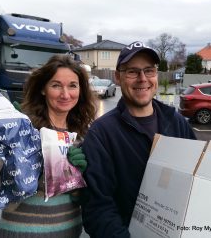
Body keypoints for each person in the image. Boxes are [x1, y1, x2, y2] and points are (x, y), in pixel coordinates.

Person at [81, 41, 196, 238]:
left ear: (156, 75)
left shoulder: (176, 122)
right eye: (132, 72)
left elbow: (196, 178)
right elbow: (98, 210)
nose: (143, 79)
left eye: (149, 71)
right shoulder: (101, 134)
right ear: (118, 77)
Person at [0, 54, 97, 238]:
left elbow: (82, 198)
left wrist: (78, 177)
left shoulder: (83, 135)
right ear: (43, 89)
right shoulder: (24, 128)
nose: (65, 94)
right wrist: (8, 141)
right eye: (56, 85)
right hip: (22, 232)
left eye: (72, 86)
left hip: (68, 231)